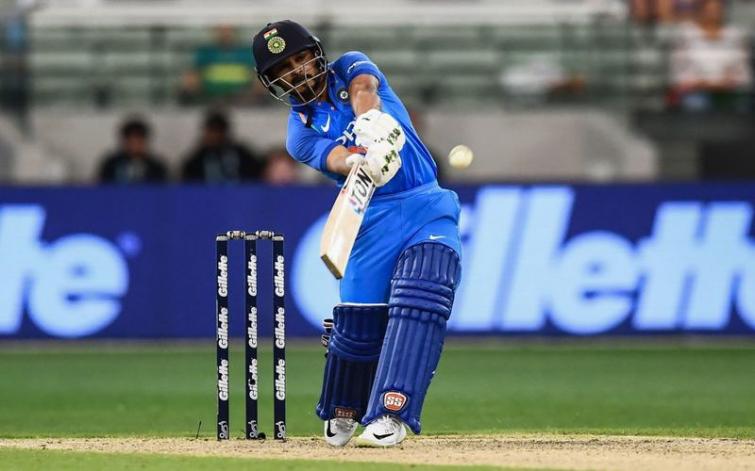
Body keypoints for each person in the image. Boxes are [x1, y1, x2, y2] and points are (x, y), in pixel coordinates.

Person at [252, 20, 462, 447]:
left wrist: (370, 125)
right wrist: (356, 160)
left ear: (317, 55)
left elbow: (365, 87)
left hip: (424, 204)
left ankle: (390, 412)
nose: (297, 71)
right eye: (284, 69)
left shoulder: (351, 66)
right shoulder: (298, 134)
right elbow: (333, 158)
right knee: (358, 325)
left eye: (300, 59)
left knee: (421, 299)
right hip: (368, 219)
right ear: (273, 82)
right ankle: (344, 406)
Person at [668, 0, 752, 112]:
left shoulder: (735, 35)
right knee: (696, 104)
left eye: (717, 9)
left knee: (744, 105)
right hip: (696, 92)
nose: (713, 13)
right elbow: (678, 75)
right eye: (709, 10)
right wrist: (701, 83)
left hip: (730, 91)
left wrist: (727, 82)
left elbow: (744, 75)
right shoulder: (685, 34)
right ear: (700, 10)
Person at [178, 25, 263, 106]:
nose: (225, 33)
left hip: (243, 98)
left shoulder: (246, 52)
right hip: (207, 98)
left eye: (228, 29)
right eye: (221, 29)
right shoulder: (205, 52)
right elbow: (194, 74)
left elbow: (256, 74)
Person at [181, 110, 265, 183]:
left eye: (218, 131)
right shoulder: (198, 158)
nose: (214, 136)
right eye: (211, 131)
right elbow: (187, 180)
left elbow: (258, 172)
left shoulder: (241, 153)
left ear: (225, 133)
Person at [98, 117, 168, 184]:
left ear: (145, 141)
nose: (135, 145)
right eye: (131, 141)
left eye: (139, 141)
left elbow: (164, 188)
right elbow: (101, 187)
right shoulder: (111, 164)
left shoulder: (156, 166)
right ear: (124, 141)